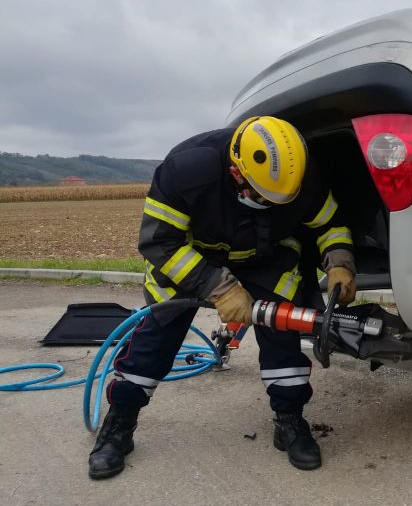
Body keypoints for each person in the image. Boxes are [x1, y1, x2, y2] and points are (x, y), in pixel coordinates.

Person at [88, 116, 356, 479]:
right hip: (193, 258)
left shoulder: (300, 179)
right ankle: (119, 424)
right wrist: (221, 287)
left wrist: (340, 262)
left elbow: (329, 224)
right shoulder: (186, 172)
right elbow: (159, 242)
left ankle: (290, 421)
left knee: (282, 331)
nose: (270, 204)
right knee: (157, 338)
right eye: (262, 198)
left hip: (264, 257)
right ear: (236, 173)